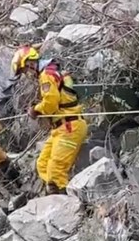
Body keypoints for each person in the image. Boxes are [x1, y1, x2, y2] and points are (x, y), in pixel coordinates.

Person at [12, 45, 88, 195]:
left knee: (55, 171)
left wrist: (35, 110)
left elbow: (51, 103)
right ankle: (56, 193)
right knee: (43, 164)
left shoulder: (46, 75)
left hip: (69, 127)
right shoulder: (51, 71)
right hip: (60, 128)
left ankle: (66, 202)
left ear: (30, 63)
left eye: (25, 70)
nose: (27, 74)